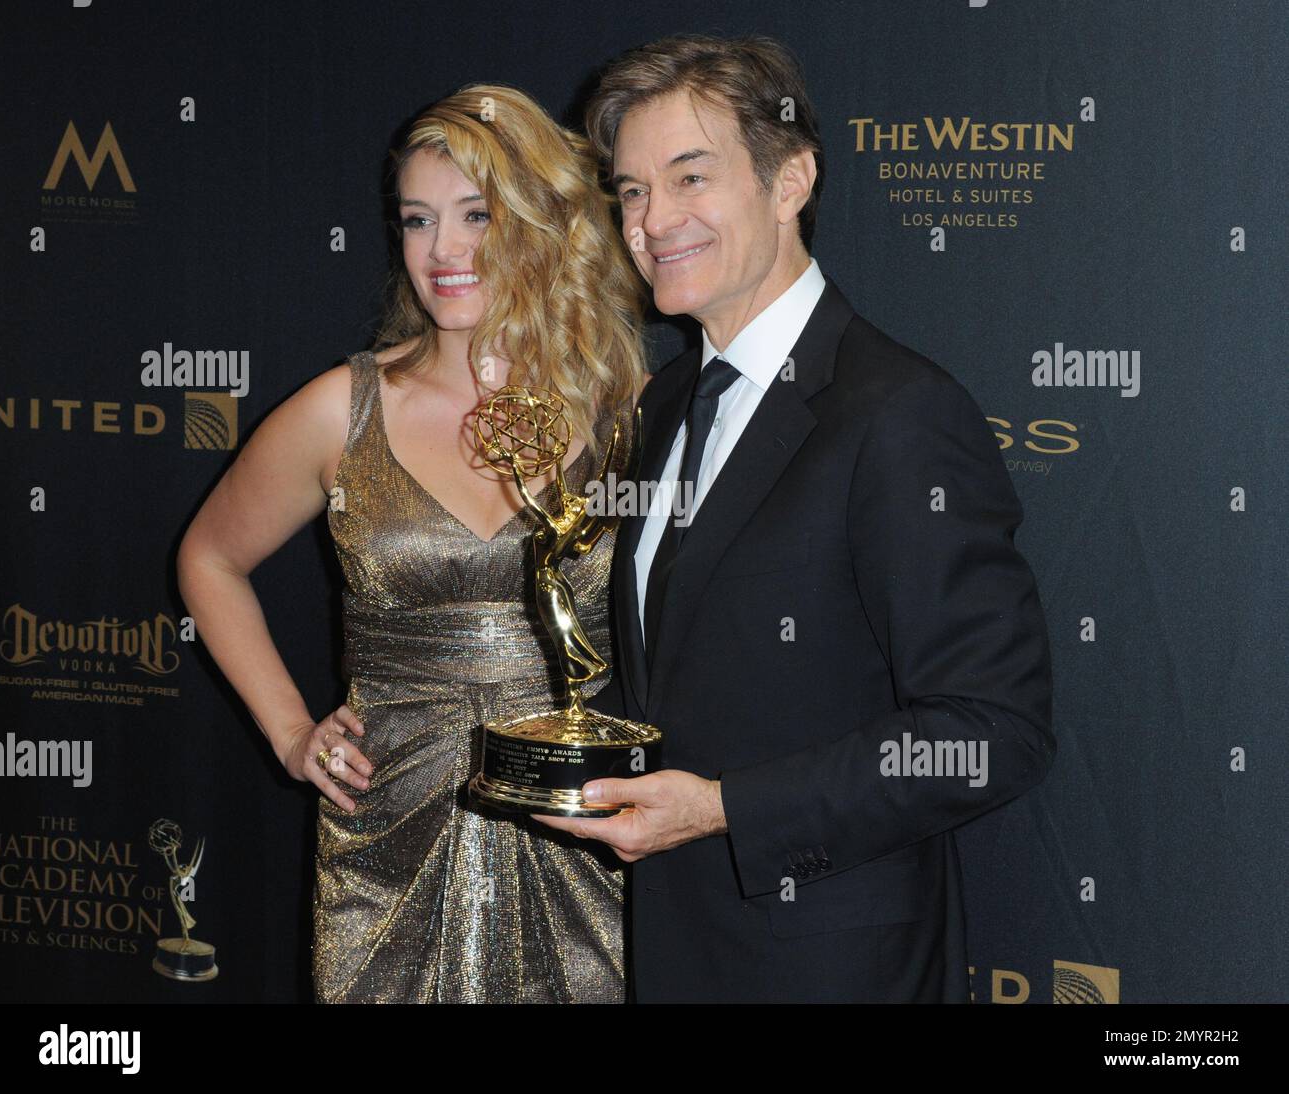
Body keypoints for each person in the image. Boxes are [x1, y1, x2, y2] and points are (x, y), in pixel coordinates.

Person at [534, 34, 1056, 1003]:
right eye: (633, 190)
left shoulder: (897, 412)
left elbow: (991, 729)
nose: (652, 220)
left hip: (831, 960)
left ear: (791, 180)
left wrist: (727, 808)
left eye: (691, 177)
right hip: (675, 939)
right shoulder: (662, 403)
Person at [176, 83, 648, 1002]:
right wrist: (288, 731)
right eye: (417, 220)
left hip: (579, 827)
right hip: (389, 827)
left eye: (477, 215)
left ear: (538, 222)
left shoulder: (622, 410)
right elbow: (209, 558)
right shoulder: (339, 410)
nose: (445, 251)